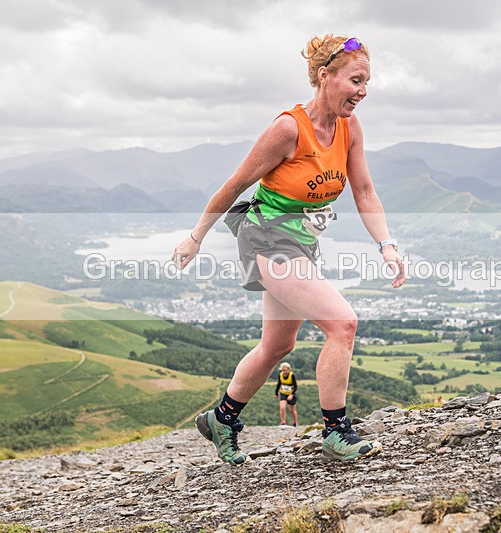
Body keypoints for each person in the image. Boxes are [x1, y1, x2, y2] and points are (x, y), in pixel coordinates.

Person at [172, 34, 406, 465]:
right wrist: (196, 236)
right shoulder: (288, 129)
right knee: (343, 324)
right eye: (355, 81)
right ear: (325, 76)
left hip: (300, 242)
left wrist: (386, 245)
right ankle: (335, 431)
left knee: (277, 346)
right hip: (267, 238)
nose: (363, 92)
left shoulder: (349, 128)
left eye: (366, 83)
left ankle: (222, 418)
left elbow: (365, 191)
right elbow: (235, 184)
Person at [275, 362, 298, 427]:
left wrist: (292, 394)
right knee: (282, 408)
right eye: (283, 370)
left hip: (291, 393)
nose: (284, 372)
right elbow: (279, 384)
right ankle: (283, 422)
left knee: (292, 410)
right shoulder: (280, 375)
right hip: (283, 393)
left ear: (288, 369)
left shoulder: (292, 375)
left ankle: (295, 422)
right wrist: (276, 393)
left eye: (285, 370)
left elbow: (295, 386)